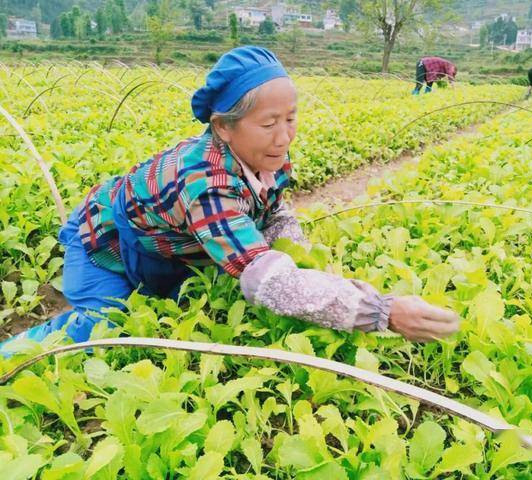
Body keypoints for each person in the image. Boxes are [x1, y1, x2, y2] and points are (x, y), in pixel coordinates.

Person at [1, 46, 460, 356]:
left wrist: (304, 259)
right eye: (268, 123)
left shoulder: (265, 153)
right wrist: (381, 311)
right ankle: (13, 353)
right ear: (224, 126)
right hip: (103, 245)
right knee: (105, 323)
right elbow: (266, 280)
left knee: (188, 304)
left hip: (170, 245)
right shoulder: (206, 185)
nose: (284, 138)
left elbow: (275, 210)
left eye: (291, 119)